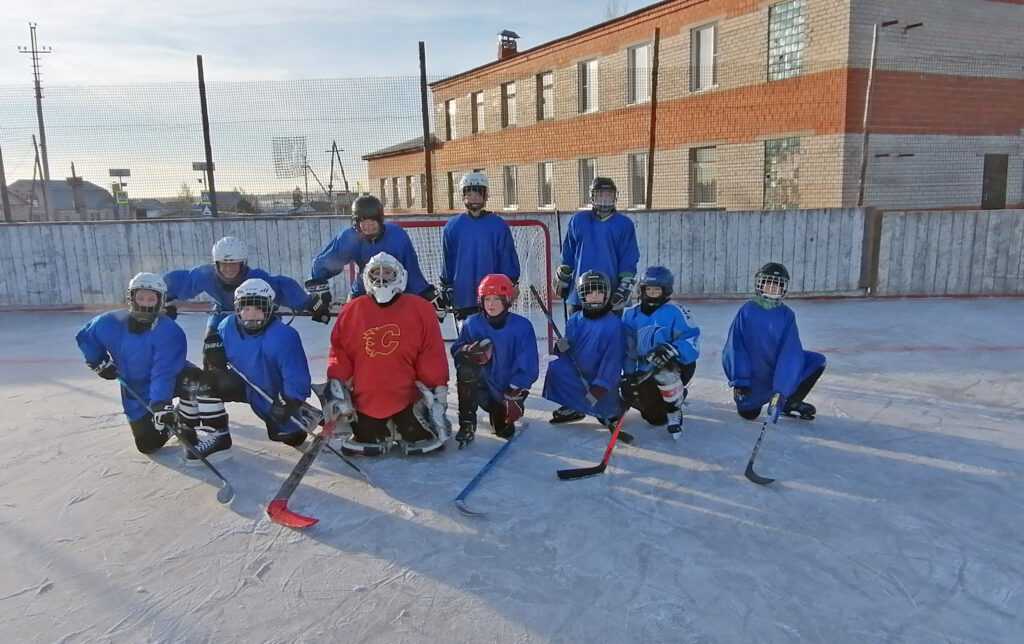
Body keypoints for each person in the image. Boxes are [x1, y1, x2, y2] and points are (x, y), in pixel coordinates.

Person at [75, 272, 227, 456]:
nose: (146, 303)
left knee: (194, 380)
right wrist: (98, 361)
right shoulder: (110, 322)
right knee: (147, 445)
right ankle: (171, 420)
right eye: (141, 297)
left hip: (169, 380)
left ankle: (185, 423)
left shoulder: (170, 331)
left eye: (151, 298)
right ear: (131, 298)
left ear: (160, 300)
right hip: (135, 388)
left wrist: (160, 403)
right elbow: (85, 336)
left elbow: (164, 372)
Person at [323, 252, 450, 456]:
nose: (381, 279)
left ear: (400, 276)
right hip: (367, 399)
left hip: (409, 399)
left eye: (388, 274)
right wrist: (337, 385)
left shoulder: (420, 309)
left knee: (417, 433)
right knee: (367, 433)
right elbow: (340, 352)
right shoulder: (353, 310)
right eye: (376, 274)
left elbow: (431, 354)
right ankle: (380, 425)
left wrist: (437, 391)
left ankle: (406, 423)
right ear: (366, 278)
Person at [550, 177, 639, 422]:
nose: (604, 200)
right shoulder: (579, 220)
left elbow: (629, 261)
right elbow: (568, 254)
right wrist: (564, 277)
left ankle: (605, 401)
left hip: (607, 297)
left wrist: (623, 288)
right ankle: (576, 402)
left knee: (607, 352)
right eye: (599, 195)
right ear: (591, 197)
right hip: (578, 296)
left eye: (608, 195)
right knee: (575, 350)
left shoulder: (624, 225)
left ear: (616, 197)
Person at [200, 278, 314, 457]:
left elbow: (296, 375)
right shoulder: (227, 326)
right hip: (243, 385)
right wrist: (213, 358)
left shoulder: (284, 336)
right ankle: (218, 434)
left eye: (258, 308)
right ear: (237, 309)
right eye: (245, 308)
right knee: (204, 383)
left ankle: (302, 411)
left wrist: (289, 401)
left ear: (269, 308)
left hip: (271, 395)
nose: (251, 315)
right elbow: (215, 364)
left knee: (292, 436)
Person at [722, 262, 826, 423]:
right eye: (768, 283)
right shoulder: (747, 311)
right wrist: (740, 381)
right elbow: (735, 347)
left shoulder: (787, 315)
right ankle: (757, 396)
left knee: (817, 361)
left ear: (783, 289)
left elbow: (790, 354)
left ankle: (790, 402)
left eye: (777, 285)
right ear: (760, 285)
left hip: (775, 377)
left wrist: (780, 392)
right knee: (749, 414)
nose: (772, 288)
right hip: (751, 383)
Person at [306, 194, 435, 323]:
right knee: (347, 321)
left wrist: (425, 293)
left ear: (380, 220)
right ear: (356, 222)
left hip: (396, 289)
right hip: (364, 288)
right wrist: (318, 289)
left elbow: (411, 270)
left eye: (372, 222)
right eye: (363, 222)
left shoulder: (397, 237)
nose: (368, 227)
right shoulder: (350, 238)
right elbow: (325, 263)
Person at [163, 236, 317, 338]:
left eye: (234, 264)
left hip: (258, 314)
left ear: (243, 264)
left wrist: (308, 303)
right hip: (223, 311)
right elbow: (183, 281)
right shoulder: (205, 275)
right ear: (216, 264)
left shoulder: (256, 278)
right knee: (210, 343)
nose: (228, 269)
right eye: (224, 264)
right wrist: (160, 297)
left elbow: (282, 286)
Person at [451, 274, 540, 448]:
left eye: (496, 299)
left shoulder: (522, 327)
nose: (491, 304)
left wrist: (514, 391)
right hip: (482, 386)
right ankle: (467, 423)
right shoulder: (472, 324)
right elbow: (456, 351)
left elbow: (530, 366)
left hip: (508, 391)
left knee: (504, 430)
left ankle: (499, 410)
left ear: (507, 300)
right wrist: (466, 351)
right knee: (466, 369)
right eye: (487, 299)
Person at [620, 266, 701, 439]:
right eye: (648, 289)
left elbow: (692, 338)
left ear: (665, 291)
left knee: (664, 370)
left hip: (675, 366)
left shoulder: (676, 311)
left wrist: (673, 349)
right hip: (645, 369)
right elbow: (629, 349)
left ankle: (674, 408)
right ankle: (666, 399)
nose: (651, 293)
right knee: (655, 418)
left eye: (656, 290)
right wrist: (628, 375)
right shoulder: (630, 315)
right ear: (641, 290)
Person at [542, 271, 626, 427]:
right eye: (589, 292)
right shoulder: (574, 320)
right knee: (556, 367)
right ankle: (575, 405)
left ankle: (612, 406)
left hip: (601, 377)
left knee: (606, 411)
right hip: (579, 373)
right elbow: (569, 350)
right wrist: (561, 348)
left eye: (599, 292)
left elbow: (613, 360)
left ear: (606, 294)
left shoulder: (614, 324)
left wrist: (601, 386)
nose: (594, 296)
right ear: (582, 295)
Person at [435, 172, 521, 321]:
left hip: (494, 297)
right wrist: (446, 286)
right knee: (468, 342)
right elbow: (448, 261)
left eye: (478, 192)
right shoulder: (452, 227)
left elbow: (507, 258)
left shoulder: (498, 225)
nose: (474, 197)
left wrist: (511, 283)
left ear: (486, 195)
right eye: (469, 193)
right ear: (462, 196)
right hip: (463, 296)